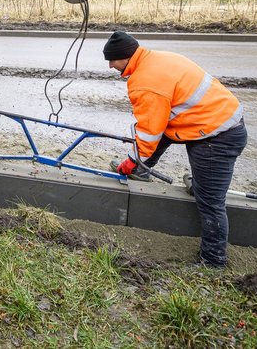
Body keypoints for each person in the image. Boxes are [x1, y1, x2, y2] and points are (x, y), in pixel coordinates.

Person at [104, 30, 246, 268]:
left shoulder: (145, 83)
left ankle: (213, 262)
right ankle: (143, 170)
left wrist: (130, 161)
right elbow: (158, 126)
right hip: (216, 120)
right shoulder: (158, 58)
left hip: (217, 137)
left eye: (112, 60)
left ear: (126, 56)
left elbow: (149, 133)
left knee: (210, 201)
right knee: (163, 132)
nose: (110, 66)